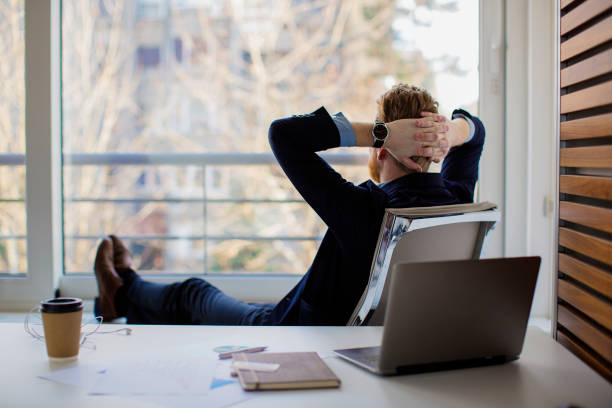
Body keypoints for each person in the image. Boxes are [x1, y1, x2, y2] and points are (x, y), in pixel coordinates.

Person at [93, 84, 483, 325]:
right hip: (371, 337)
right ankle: (123, 303)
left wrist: (378, 132)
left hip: (291, 335)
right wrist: (452, 130)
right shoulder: (455, 199)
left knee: (194, 294)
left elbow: (283, 134)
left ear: (382, 150)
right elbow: (475, 131)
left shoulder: (363, 209)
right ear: (438, 148)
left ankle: (122, 292)